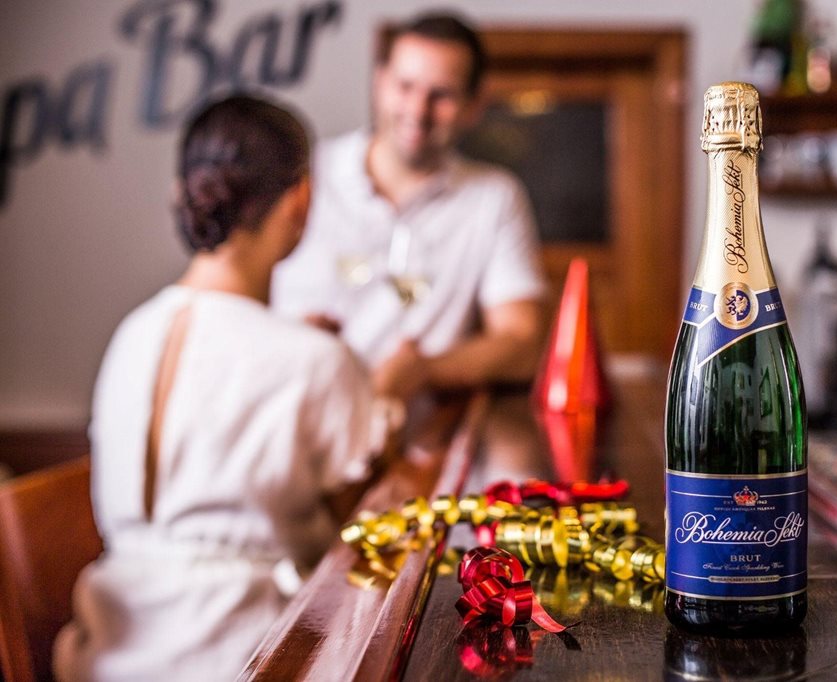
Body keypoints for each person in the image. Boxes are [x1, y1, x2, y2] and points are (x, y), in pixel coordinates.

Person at [54, 95, 385, 681]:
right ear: (301, 199)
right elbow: (363, 515)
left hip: (102, 656)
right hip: (249, 657)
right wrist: (380, 390)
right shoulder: (314, 359)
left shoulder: (132, 333)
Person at [271, 12, 547, 402]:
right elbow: (233, 296)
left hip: (419, 430)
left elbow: (522, 342)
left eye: (442, 95)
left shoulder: (493, 197)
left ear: (474, 105)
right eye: (405, 86)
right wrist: (290, 343)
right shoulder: (302, 175)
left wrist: (424, 371)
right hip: (297, 410)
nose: (418, 110)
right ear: (379, 82)